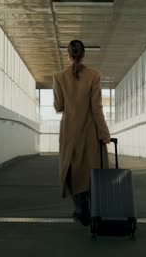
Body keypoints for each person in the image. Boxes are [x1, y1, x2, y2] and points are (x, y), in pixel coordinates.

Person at [53, 40, 111, 226]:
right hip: (90, 132)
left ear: (68, 56)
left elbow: (59, 106)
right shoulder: (94, 75)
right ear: (84, 55)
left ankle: (80, 211)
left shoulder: (59, 76)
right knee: (93, 170)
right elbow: (96, 108)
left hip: (70, 132)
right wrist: (104, 133)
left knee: (73, 171)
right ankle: (95, 212)